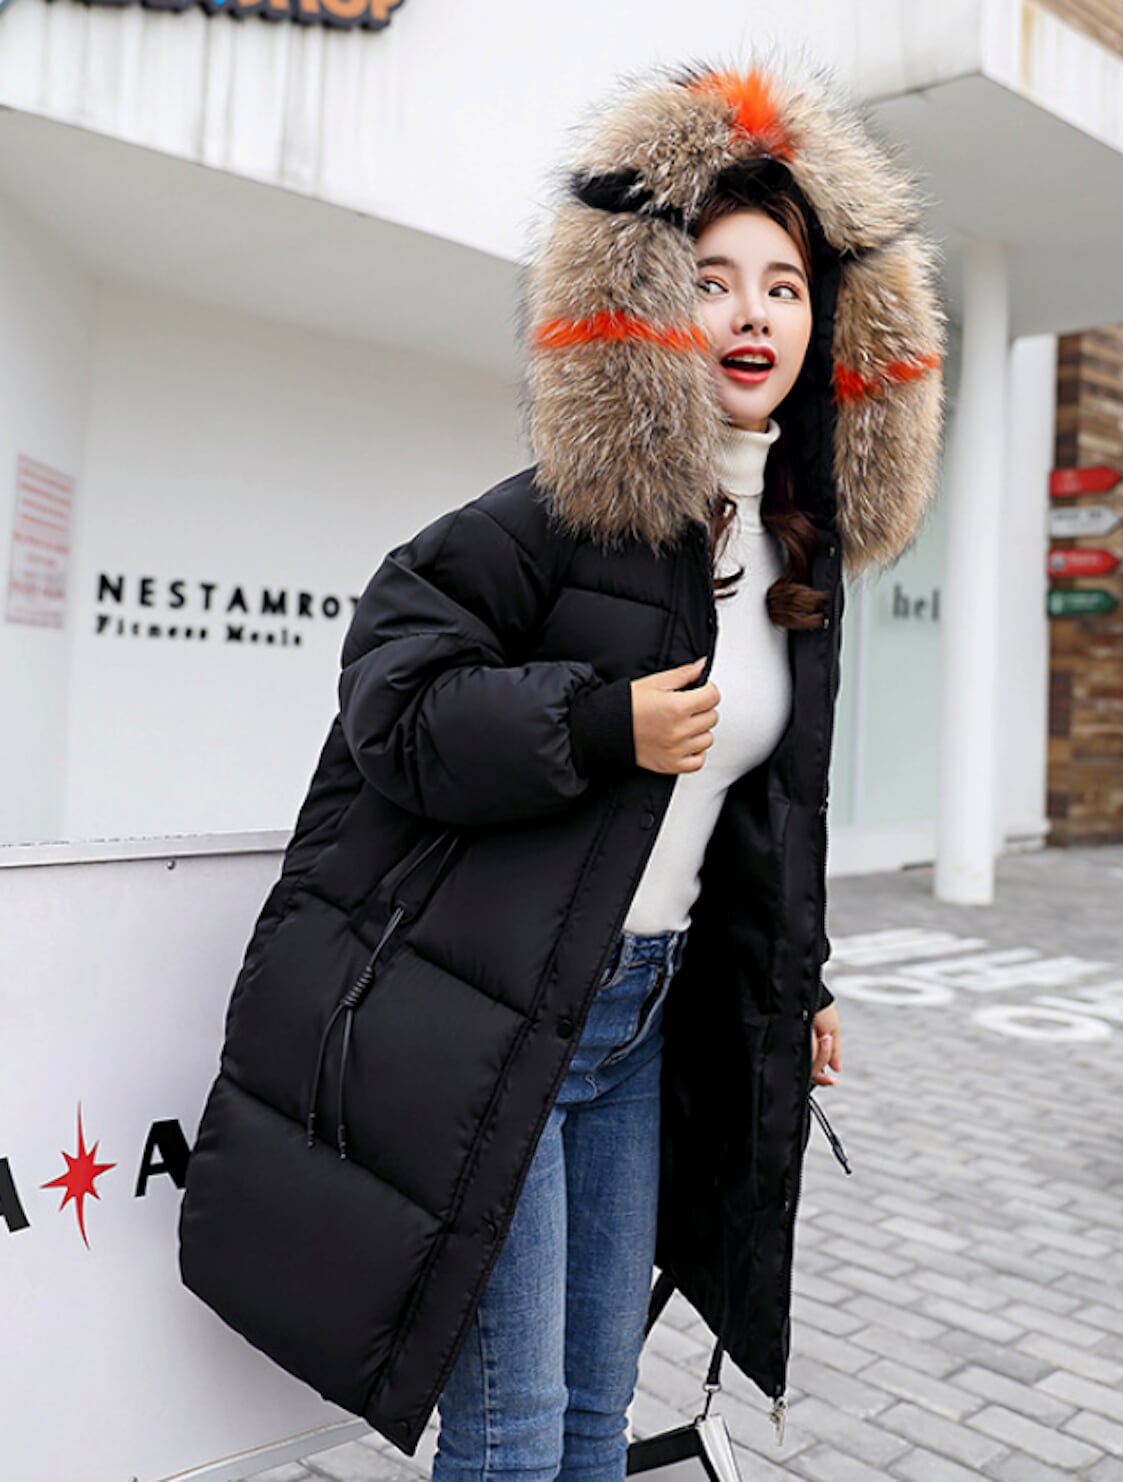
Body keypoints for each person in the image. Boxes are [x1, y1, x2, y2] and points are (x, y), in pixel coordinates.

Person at [176, 55, 946, 1481]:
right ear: (652, 304)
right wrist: (599, 725)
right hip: (501, 1013)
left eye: (784, 286)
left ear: (825, 320)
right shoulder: (559, 510)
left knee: (597, 1413)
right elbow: (393, 695)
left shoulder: (796, 552)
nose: (753, 313)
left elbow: (768, 814)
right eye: (714, 280)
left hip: (645, 1021)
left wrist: (805, 983)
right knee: (517, 1430)